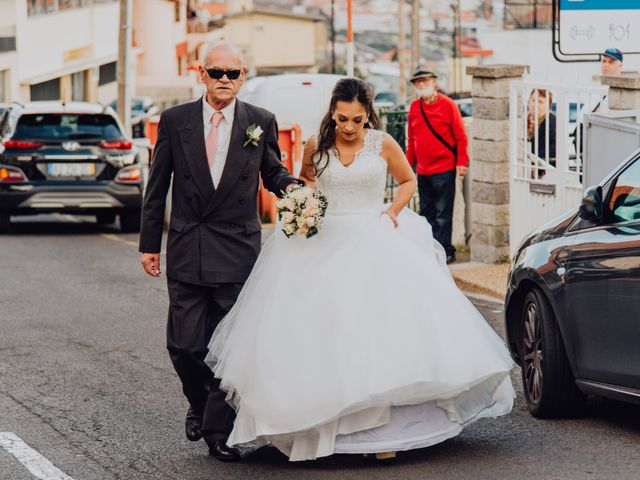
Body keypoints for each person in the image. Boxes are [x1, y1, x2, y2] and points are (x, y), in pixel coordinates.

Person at [205, 78, 515, 462]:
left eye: (356, 119)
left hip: (375, 236)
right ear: (332, 112)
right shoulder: (316, 144)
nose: (349, 127)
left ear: (368, 114)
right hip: (324, 240)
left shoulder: (382, 142)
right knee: (322, 331)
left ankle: (384, 432)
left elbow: (407, 181)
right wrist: (305, 206)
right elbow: (305, 181)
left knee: (380, 333)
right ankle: (325, 429)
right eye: (341, 119)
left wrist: (392, 211)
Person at [138, 41, 302, 462]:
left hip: (236, 248)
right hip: (188, 246)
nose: (225, 81)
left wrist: (290, 187)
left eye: (233, 74)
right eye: (217, 73)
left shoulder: (259, 121)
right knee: (185, 346)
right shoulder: (175, 121)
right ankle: (198, 402)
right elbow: (157, 188)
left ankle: (216, 431)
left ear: (243, 76)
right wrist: (149, 245)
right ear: (202, 73)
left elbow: (272, 171)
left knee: (230, 347)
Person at [406, 67, 468, 264]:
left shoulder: (448, 105)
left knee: (443, 214)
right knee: (427, 214)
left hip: (444, 168)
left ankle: (445, 251)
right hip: (423, 170)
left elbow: (460, 135)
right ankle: (431, 249)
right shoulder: (415, 108)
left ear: (434, 82)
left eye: (425, 81)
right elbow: (412, 140)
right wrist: (408, 165)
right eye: (418, 82)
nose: (422, 85)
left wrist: (461, 161)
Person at [527, 89, 556, 165]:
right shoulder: (523, 120)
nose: (535, 104)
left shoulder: (552, 122)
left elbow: (554, 150)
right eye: (533, 100)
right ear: (529, 102)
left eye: (540, 102)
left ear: (549, 107)